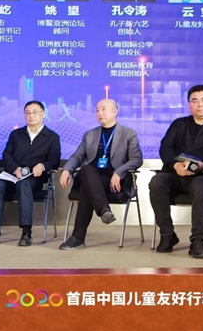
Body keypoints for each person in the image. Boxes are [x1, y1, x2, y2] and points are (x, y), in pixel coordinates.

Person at [150, 84, 203, 259]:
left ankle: (198, 240)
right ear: (189, 104)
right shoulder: (179, 124)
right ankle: (167, 234)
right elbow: (165, 148)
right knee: (157, 182)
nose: (200, 104)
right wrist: (175, 165)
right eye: (194, 101)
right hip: (175, 175)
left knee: (201, 184)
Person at [58, 99, 143, 250]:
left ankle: (78, 238)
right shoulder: (90, 134)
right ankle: (104, 210)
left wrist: (119, 172)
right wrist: (66, 170)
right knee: (86, 170)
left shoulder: (128, 134)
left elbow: (136, 159)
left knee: (87, 188)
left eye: (103, 109)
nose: (100, 113)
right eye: (97, 110)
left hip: (113, 180)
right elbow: (77, 156)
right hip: (90, 175)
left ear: (115, 112)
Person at [0, 101, 61, 246]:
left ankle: (26, 233)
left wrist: (42, 166)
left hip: (33, 179)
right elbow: (6, 155)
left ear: (43, 114)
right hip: (13, 176)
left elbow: (54, 161)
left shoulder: (51, 137)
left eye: (35, 112)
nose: (31, 116)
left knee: (24, 184)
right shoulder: (16, 134)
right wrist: (15, 168)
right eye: (28, 113)